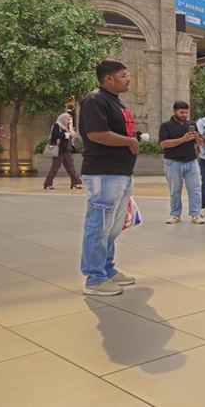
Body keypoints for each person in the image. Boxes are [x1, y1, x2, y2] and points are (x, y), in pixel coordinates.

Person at [77, 59, 139, 296]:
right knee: (99, 226)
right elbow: (96, 134)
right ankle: (95, 279)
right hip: (104, 173)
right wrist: (129, 141)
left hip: (120, 172)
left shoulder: (114, 101)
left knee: (111, 228)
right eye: (124, 75)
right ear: (109, 79)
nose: (128, 78)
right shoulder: (95, 100)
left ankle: (107, 269)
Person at [159, 101, 205, 225]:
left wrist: (197, 137)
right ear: (174, 111)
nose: (184, 115)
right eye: (181, 112)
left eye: (186, 112)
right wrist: (182, 139)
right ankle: (175, 214)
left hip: (191, 161)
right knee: (175, 190)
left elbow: (200, 143)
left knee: (195, 188)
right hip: (173, 162)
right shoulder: (166, 125)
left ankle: (195, 214)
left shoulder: (191, 124)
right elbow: (163, 143)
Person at [42, 113, 83, 190]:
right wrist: (69, 134)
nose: (69, 121)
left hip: (67, 150)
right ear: (63, 119)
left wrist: (71, 135)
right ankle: (48, 183)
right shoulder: (57, 125)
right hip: (60, 150)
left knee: (71, 167)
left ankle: (75, 182)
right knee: (55, 167)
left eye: (69, 120)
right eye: (67, 119)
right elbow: (56, 135)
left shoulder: (66, 127)